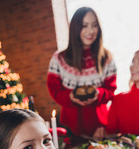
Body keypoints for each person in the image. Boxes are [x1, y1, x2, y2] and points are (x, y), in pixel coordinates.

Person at [47, 7, 117, 139]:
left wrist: (99, 94)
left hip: (100, 128)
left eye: (94, 25)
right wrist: (71, 97)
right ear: (75, 28)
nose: (90, 31)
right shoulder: (59, 58)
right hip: (70, 129)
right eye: (84, 26)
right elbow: (54, 90)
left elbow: (111, 90)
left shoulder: (107, 58)